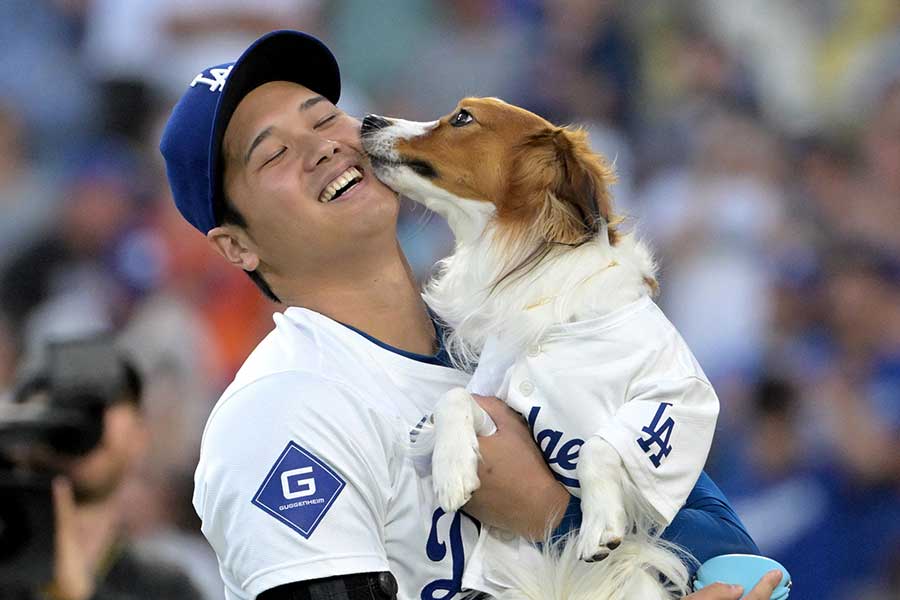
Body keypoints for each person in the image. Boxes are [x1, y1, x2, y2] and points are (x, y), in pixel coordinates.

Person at [160, 30, 777, 600]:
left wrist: (552, 514)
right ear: (236, 245)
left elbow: (719, 540)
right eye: (273, 155)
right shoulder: (283, 412)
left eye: (324, 117)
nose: (322, 146)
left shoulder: (523, 322)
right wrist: (551, 514)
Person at [9, 340, 202, 600]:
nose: (78, 419)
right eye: (59, 400)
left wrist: (81, 593)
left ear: (140, 434)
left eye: (100, 400)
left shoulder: (167, 589)